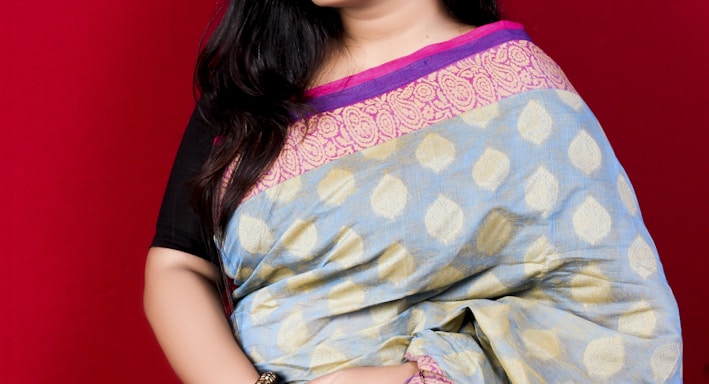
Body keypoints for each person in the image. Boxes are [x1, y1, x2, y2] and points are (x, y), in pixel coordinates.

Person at [144, 0, 683, 383]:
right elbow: (177, 266)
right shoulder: (254, 84)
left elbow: (621, 317)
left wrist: (429, 378)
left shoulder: (523, 95)